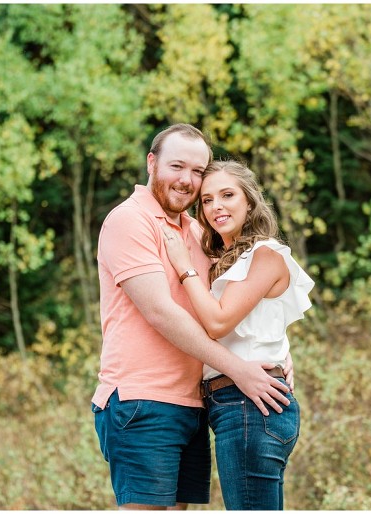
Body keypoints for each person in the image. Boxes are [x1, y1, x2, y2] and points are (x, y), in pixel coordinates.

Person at [91, 124, 294, 510]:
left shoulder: (198, 230)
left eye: (197, 171)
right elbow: (160, 312)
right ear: (152, 163)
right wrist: (238, 368)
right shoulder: (129, 221)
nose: (187, 180)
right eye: (177, 166)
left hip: (195, 404)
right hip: (143, 399)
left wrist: (278, 349)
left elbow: (235, 301)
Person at [159, 159, 315, 510]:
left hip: (250, 406)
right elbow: (266, 323)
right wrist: (284, 352)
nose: (216, 207)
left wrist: (183, 265)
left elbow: (218, 323)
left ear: (249, 200)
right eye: (208, 200)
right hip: (234, 404)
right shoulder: (228, 260)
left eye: (227, 195)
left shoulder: (266, 254)